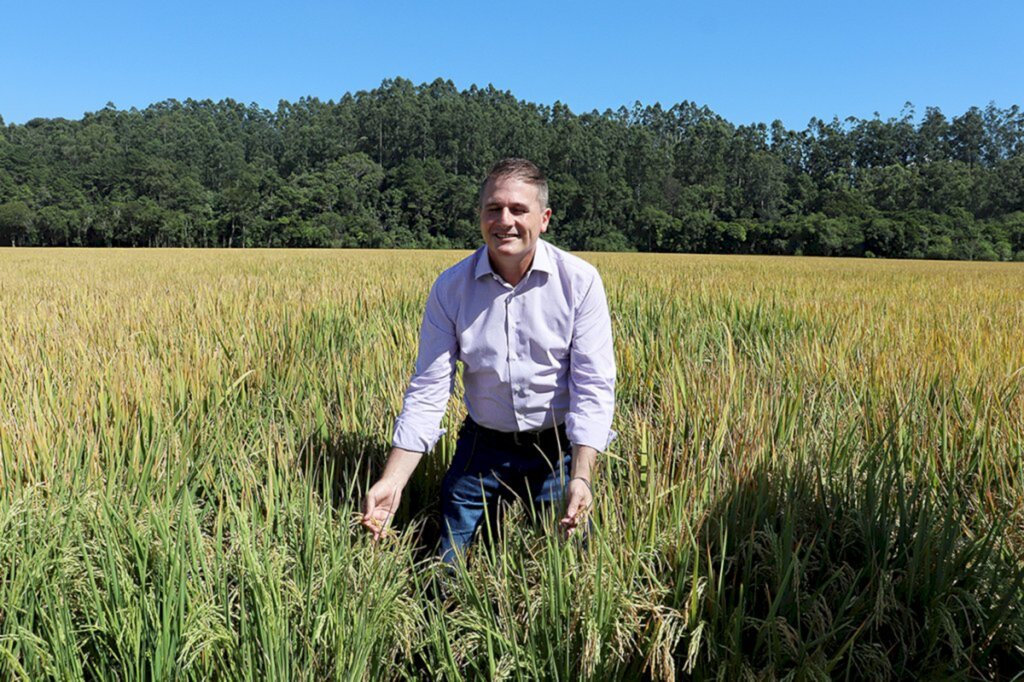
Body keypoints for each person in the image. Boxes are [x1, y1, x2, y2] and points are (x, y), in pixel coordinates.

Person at [361, 158, 615, 563]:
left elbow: (593, 386)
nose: (505, 220)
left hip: (557, 448)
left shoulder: (579, 282)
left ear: (544, 218)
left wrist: (581, 475)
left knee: (566, 563)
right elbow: (429, 390)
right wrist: (393, 480)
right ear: (480, 215)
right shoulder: (451, 287)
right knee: (447, 559)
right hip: (482, 443)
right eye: (494, 208)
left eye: (519, 209)